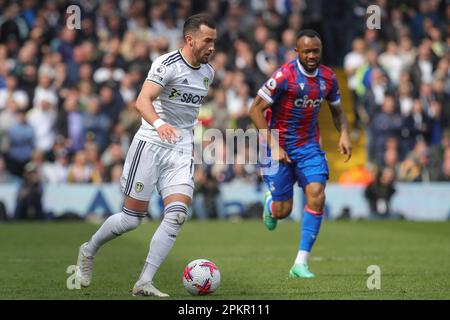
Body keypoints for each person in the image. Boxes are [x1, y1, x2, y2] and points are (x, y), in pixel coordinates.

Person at [75, 13, 216, 297]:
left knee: (177, 215)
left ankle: (144, 281)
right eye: (207, 41)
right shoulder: (166, 65)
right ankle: (88, 250)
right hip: (151, 144)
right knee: (131, 219)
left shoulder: (208, 73)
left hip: (181, 150)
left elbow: (188, 115)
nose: (212, 47)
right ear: (190, 40)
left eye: (214, 41)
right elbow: (142, 100)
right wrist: (161, 124)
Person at [249, 30, 352, 279]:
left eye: (315, 50)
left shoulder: (328, 78)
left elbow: (337, 112)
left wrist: (344, 133)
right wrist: (273, 145)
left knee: (317, 195)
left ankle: (300, 263)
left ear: (321, 50)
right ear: (297, 52)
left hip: (308, 147)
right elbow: (254, 110)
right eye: (306, 51)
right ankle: (271, 204)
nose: (311, 55)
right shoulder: (284, 76)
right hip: (279, 146)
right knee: (283, 210)